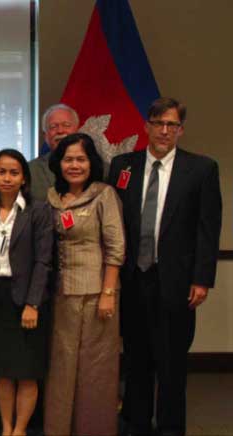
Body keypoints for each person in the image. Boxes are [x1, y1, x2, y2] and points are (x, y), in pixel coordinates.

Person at [108, 97, 222, 436]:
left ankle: (171, 426)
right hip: (133, 279)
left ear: (181, 130)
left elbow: (207, 227)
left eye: (171, 124)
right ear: (146, 126)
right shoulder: (123, 166)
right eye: (158, 122)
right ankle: (137, 423)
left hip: (175, 280)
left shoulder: (201, 169)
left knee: (172, 361)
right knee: (136, 357)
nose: (164, 130)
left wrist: (202, 279)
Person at [44, 133, 125, 436]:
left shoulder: (104, 195)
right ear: (58, 162)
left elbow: (116, 247)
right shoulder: (52, 197)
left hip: (96, 294)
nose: (74, 165)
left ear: (91, 162)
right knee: (62, 365)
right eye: (68, 159)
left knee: (95, 368)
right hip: (61, 294)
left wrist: (108, 293)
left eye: (81, 159)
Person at [0, 149, 53, 436]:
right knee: (2, 371)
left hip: (26, 300)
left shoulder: (38, 210)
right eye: (2, 172)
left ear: (24, 178)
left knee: (27, 371)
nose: (7, 178)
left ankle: (20, 429)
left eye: (14, 173)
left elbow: (43, 261)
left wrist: (33, 303)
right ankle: (6, 427)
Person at [29, 104, 80, 202]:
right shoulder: (31, 170)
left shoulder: (100, 169)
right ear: (45, 135)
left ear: (77, 130)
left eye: (66, 125)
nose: (60, 131)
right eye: (53, 127)